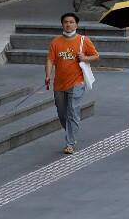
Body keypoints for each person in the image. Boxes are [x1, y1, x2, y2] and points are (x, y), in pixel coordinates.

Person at [45, 12, 99, 154]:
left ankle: (70, 143)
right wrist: (48, 75)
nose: (68, 24)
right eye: (66, 22)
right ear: (62, 24)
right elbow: (50, 59)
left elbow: (96, 55)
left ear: (76, 24)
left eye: (71, 22)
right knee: (62, 113)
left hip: (77, 82)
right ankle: (71, 134)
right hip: (59, 84)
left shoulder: (83, 40)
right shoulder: (55, 42)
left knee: (73, 111)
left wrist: (85, 58)